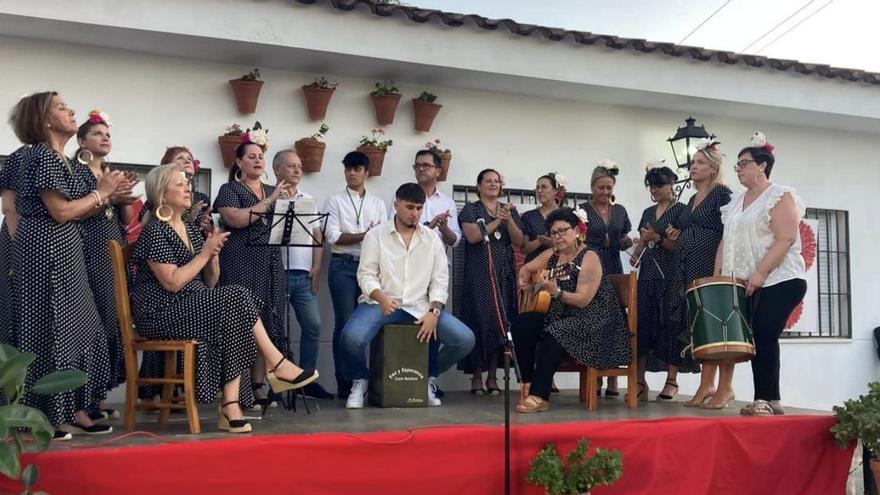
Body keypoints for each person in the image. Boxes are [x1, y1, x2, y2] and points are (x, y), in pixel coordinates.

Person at [130, 164, 317, 433]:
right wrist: (204, 255)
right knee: (239, 295)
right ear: (161, 193)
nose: (188, 188)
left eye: (187, 183)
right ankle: (275, 366)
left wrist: (213, 257)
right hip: (161, 313)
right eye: (179, 184)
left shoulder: (191, 230)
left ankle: (231, 405)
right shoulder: (155, 231)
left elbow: (209, 282)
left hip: (190, 307)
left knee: (237, 312)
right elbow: (172, 283)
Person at [12, 92, 123, 438]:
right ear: (45, 121)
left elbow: (75, 210)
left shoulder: (59, 158)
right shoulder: (44, 156)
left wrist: (106, 194)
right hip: (45, 251)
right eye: (61, 107)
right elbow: (60, 212)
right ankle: (48, 416)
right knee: (53, 331)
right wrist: (101, 193)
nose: (71, 110)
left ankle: (75, 408)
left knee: (82, 330)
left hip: (65, 251)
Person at [341, 183, 475, 409]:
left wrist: (434, 311)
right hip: (380, 302)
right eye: (409, 207)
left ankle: (427, 377)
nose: (414, 213)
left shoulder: (432, 239)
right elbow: (366, 274)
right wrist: (380, 297)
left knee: (464, 340)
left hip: (421, 305)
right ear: (396, 205)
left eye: (419, 208)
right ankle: (360, 381)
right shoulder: (376, 235)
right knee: (351, 338)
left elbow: (440, 281)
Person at [716, 132, 806, 416]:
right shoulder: (735, 203)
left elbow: (786, 238)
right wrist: (717, 275)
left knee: (764, 332)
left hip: (781, 278)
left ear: (762, 165)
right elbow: (725, 240)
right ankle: (773, 399)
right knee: (762, 336)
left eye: (744, 163)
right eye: (738, 165)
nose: (739, 169)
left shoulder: (779, 195)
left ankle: (762, 399)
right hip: (748, 281)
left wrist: (759, 273)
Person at [514, 208, 631, 412]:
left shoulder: (589, 257)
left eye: (563, 231)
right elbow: (526, 268)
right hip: (563, 314)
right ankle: (527, 383)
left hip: (596, 318)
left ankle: (540, 396)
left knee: (557, 330)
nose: (558, 237)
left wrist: (556, 292)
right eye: (553, 233)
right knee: (522, 323)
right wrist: (524, 280)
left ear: (577, 230)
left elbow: (583, 300)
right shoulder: (552, 254)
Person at [213, 133, 292, 409]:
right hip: (240, 261)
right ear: (238, 162)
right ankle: (240, 390)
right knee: (245, 324)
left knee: (269, 322)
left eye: (261, 156)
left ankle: (259, 385)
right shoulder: (228, 190)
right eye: (251, 156)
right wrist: (270, 203)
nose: (258, 160)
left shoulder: (273, 189)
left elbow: (285, 226)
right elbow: (234, 219)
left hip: (270, 262)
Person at [72, 110, 139, 420]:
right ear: (81, 140)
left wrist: (124, 197)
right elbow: (76, 213)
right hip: (89, 253)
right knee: (94, 326)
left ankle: (97, 396)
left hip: (113, 251)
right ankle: (81, 401)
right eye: (97, 134)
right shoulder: (76, 171)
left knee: (112, 323)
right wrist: (108, 196)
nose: (105, 138)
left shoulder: (108, 172)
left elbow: (126, 220)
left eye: (107, 134)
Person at [629, 161, 697, 402]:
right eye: (652, 187)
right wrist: (637, 253)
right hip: (648, 274)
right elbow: (641, 241)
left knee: (670, 325)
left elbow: (678, 247)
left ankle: (671, 380)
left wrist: (656, 238)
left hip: (671, 275)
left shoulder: (681, 211)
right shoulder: (648, 212)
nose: (655, 191)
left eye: (659, 186)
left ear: (671, 185)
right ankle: (639, 380)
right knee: (643, 326)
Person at [324, 151, 388, 398]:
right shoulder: (334, 200)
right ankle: (346, 382)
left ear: (366, 173)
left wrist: (367, 236)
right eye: (348, 169)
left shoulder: (378, 203)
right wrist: (366, 235)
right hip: (341, 265)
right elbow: (333, 237)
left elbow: (383, 238)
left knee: (370, 322)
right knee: (345, 323)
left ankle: (370, 381)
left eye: (357, 169)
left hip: (370, 268)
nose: (352, 173)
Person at [675, 137, 734, 409]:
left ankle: (720, 386)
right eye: (693, 163)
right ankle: (705, 384)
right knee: (698, 325)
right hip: (688, 265)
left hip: (709, 264)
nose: (693, 167)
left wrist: (718, 269)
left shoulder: (722, 193)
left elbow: (728, 231)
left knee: (713, 324)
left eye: (700, 163)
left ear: (712, 168)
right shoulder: (691, 197)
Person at [272, 149, 333, 399]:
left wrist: (317, 266)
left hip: (303, 274)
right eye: (291, 166)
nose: (298, 170)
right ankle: (277, 382)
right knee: (276, 328)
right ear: (277, 169)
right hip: (277, 273)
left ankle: (307, 379)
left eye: (299, 166)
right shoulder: (269, 196)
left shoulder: (308, 198)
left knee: (313, 325)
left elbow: (317, 235)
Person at [458, 168, 525, 395]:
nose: (493, 184)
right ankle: (477, 375)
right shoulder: (471, 209)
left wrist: (508, 220)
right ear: (478, 186)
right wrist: (498, 219)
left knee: (500, 323)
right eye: (488, 181)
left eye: (497, 181)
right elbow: (473, 236)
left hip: (503, 273)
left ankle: (493, 377)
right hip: (479, 273)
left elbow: (519, 242)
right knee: (479, 320)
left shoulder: (507, 209)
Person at [578, 161, 633, 396]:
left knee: (615, 321)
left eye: (609, 187)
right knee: (594, 319)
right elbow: (577, 240)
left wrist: (626, 242)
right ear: (592, 187)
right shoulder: (581, 210)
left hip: (613, 266)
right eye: (601, 187)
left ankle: (612, 378)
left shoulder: (619, 210)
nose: (605, 192)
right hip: (591, 267)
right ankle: (595, 376)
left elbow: (624, 236)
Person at [0, 131, 28, 347]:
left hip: (39, 239)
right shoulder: (19, 157)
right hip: (19, 237)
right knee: (14, 298)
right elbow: (9, 207)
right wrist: (20, 242)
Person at [521, 173, 567, 263]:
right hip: (534, 268)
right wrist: (540, 241)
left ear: (555, 191)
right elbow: (524, 249)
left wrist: (553, 243)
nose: (540, 190)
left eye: (544, 187)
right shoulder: (528, 216)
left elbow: (574, 244)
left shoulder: (566, 214)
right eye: (537, 188)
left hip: (560, 266)